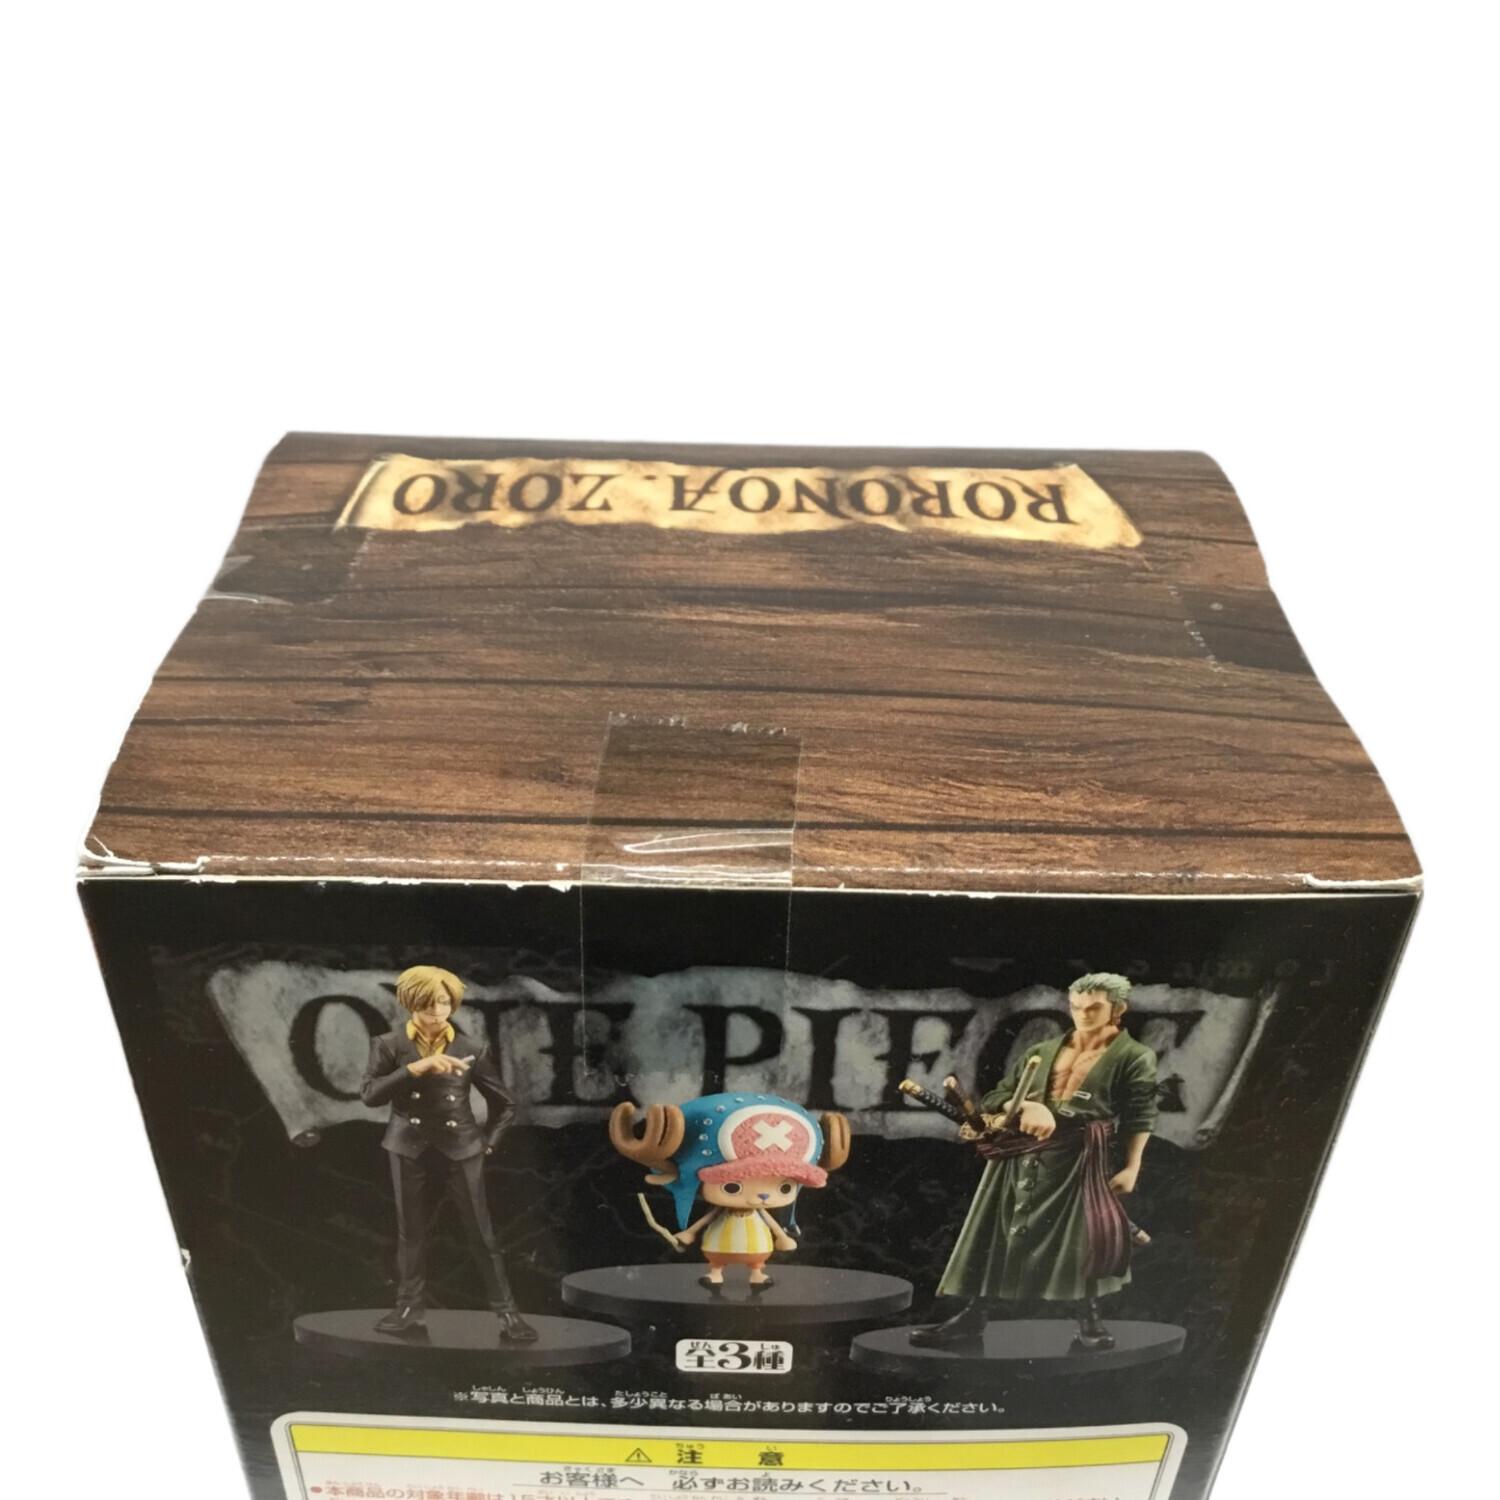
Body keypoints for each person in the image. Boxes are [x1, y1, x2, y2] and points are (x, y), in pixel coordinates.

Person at [910, 972, 1157, 1351]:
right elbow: (996, 1097)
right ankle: (973, 1317)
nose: (1083, 1015)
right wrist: (1026, 1105)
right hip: (1018, 1152)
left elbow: (1141, 1115)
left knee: (1084, 1236)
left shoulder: (1134, 1057)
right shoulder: (1041, 1051)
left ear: (1117, 1009)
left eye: (1094, 1008)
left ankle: (1090, 1320)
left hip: (1080, 1155)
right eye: (1076, 1007)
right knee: (994, 1233)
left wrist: (1132, 1166)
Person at [361, 964, 536, 1343]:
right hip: (408, 1145)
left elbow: (505, 1104)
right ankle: (408, 1309)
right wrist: (415, 1068)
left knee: (481, 1235)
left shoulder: (471, 1048)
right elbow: (370, 1095)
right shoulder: (389, 1044)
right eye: (428, 1004)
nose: (437, 1012)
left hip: (461, 1146)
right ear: (411, 1004)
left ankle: (507, 1313)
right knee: (411, 1234)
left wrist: (489, 1142)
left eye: (444, 1003)